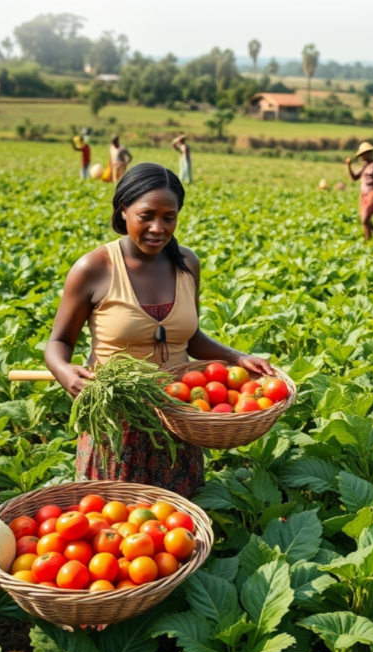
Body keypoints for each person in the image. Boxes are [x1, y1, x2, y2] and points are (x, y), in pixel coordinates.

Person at [44, 163, 272, 496]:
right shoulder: (94, 268)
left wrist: (236, 357)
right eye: (146, 216)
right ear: (123, 210)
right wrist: (65, 372)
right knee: (114, 522)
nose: (157, 228)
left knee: (177, 527)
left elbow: (190, 337)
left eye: (169, 218)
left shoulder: (186, 263)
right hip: (117, 424)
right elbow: (59, 341)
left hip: (179, 417)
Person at [345, 141, 373, 241]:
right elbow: (354, 177)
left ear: (369, 153)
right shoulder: (365, 166)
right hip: (364, 194)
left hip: (372, 193)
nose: (362, 156)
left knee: (365, 219)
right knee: (365, 220)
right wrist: (348, 166)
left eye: (363, 154)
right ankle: (369, 240)